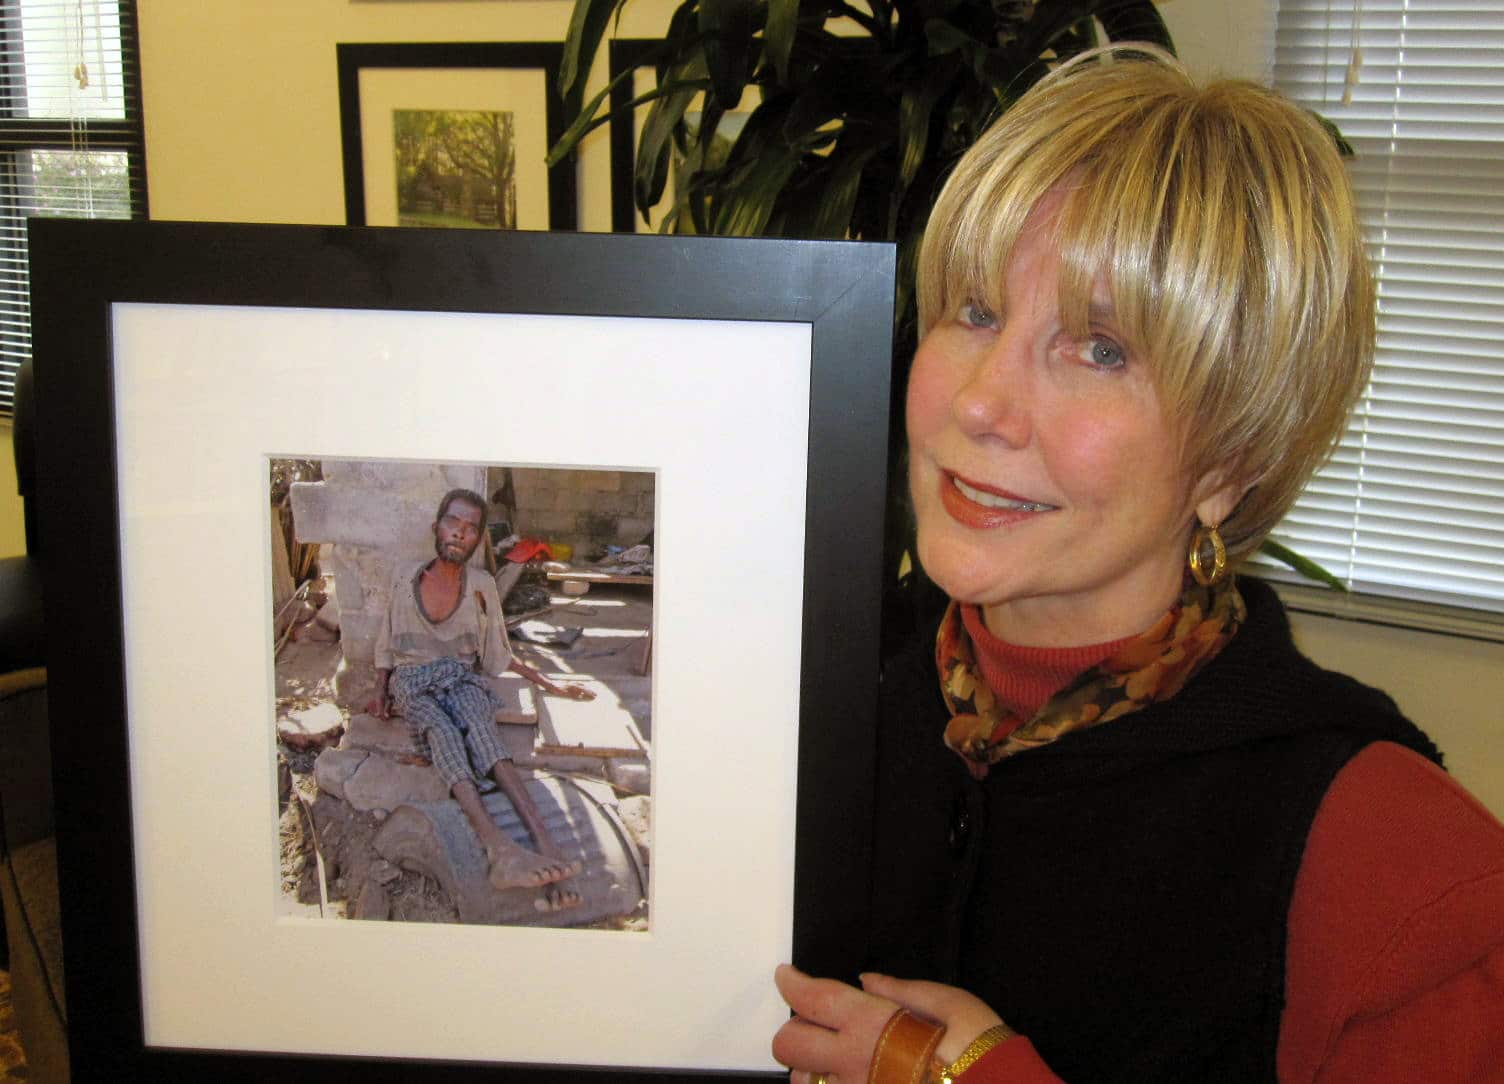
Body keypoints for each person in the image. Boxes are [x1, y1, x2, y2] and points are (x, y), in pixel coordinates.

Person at [772, 49, 1504, 1082]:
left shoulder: (1391, 869)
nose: (979, 404)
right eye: (975, 311)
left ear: (1231, 460)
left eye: (1101, 349)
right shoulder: (803, 695)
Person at [371, 487, 597, 912]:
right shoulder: (405, 577)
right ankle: (500, 850)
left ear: (477, 541)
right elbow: (386, 640)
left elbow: (498, 654)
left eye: (470, 528)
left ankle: (547, 846)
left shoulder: (481, 586)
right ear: (436, 527)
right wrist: (379, 690)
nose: (460, 532)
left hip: (461, 677)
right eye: (452, 522)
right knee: (442, 733)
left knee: (482, 727)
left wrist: (550, 684)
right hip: (412, 680)